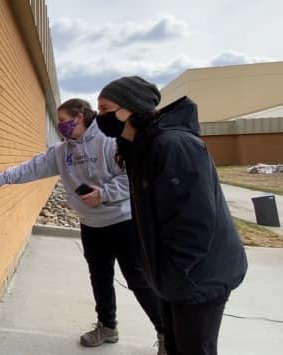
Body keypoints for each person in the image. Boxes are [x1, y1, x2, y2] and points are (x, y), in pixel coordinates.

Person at [0, 98, 166, 353]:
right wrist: (2, 178)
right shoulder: (62, 151)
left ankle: (167, 333)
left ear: (79, 116)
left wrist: (103, 194)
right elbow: (34, 167)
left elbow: (132, 175)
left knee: (139, 281)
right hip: (91, 225)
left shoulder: (109, 140)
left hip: (123, 222)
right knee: (100, 278)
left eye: (62, 121)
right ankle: (107, 327)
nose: (60, 127)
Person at [95, 76, 248, 355]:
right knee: (175, 345)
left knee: (194, 349)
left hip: (198, 276)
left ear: (129, 109)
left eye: (105, 109)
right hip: (174, 277)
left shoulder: (173, 145)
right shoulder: (140, 147)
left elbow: (194, 222)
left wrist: (174, 272)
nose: (99, 117)